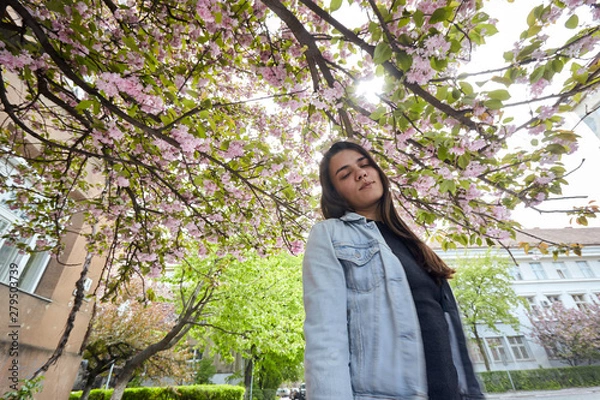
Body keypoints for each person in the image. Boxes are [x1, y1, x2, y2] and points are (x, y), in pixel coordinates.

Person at [302, 141, 485, 400]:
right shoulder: (329, 235)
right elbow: (326, 336)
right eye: (345, 174)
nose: (360, 173)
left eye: (365, 165)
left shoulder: (414, 244)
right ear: (335, 193)